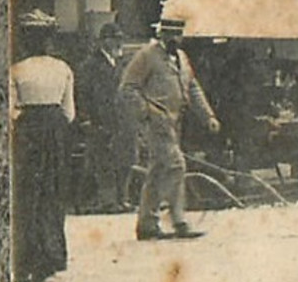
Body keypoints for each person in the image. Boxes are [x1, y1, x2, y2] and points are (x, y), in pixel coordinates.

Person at [119, 17, 221, 241]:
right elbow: (128, 88)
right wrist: (147, 112)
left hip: (176, 123)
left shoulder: (182, 58)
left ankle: (146, 224)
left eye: (179, 34)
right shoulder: (146, 55)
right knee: (176, 166)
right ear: (162, 34)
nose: (175, 38)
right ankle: (179, 221)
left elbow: (193, 88)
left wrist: (208, 116)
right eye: (170, 34)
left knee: (157, 171)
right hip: (157, 124)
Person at [11, 10, 77, 282]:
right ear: (49, 40)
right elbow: (69, 112)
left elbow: (8, 110)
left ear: (26, 40)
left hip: (27, 132)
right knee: (52, 192)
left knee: (27, 195)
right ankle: (49, 259)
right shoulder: (62, 68)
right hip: (55, 132)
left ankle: (27, 259)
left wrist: (26, 121)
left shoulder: (16, 69)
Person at [77, 21, 135, 212]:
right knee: (103, 161)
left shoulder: (123, 65)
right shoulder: (90, 66)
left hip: (123, 121)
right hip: (100, 121)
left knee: (124, 159)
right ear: (103, 41)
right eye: (114, 39)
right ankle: (108, 201)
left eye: (120, 39)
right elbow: (82, 95)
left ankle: (122, 198)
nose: (119, 43)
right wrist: (86, 119)